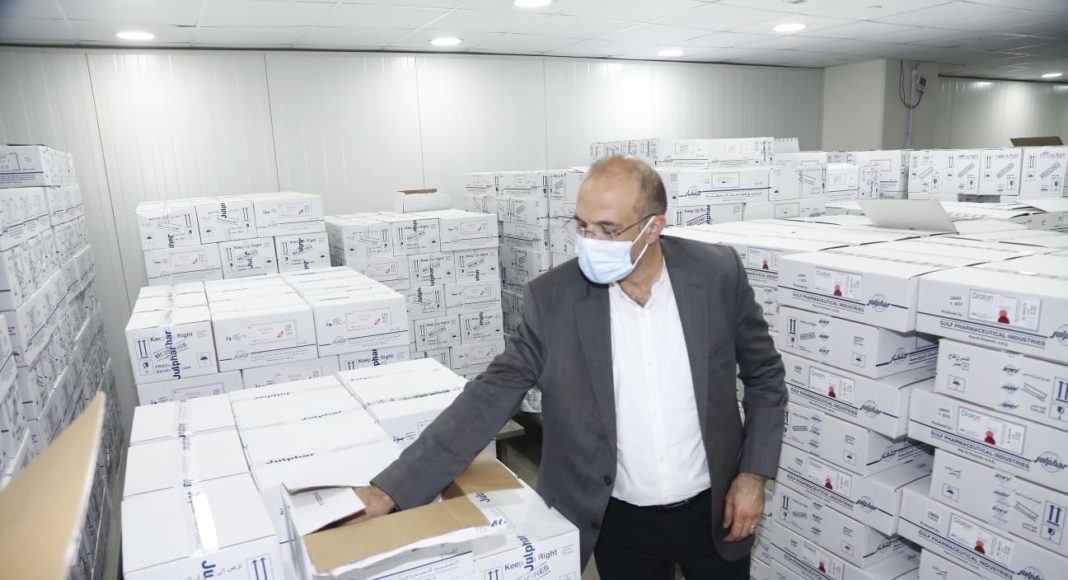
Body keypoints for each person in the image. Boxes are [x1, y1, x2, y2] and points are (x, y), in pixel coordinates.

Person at [361, 156, 787, 579]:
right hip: (618, 524)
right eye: (582, 226)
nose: (590, 242)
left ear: (654, 227)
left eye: (608, 230)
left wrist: (752, 476)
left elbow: (766, 377)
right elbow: (488, 396)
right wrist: (391, 490)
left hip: (716, 512)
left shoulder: (716, 274)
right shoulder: (554, 299)